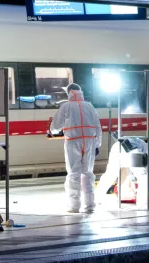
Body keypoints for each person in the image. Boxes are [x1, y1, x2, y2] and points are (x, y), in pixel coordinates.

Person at [50, 83, 102, 213]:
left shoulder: (66, 106)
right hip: (90, 142)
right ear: (80, 92)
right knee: (88, 174)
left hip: (73, 142)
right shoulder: (89, 106)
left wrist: (53, 130)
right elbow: (98, 126)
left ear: (69, 93)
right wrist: (97, 144)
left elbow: (55, 127)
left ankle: (74, 206)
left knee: (74, 174)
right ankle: (90, 206)